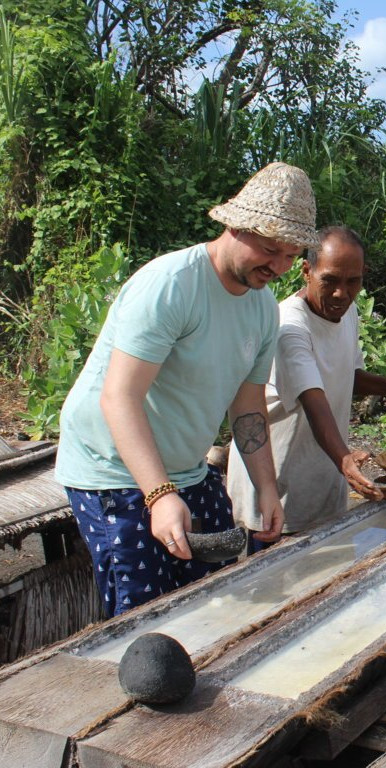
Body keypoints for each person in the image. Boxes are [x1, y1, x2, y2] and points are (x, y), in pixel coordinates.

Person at [54, 162, 318, 616]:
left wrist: (266, 488)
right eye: (270, 249)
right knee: (145, 615)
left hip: (187, 468)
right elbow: (119, 397)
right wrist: (159, 495)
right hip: (113, 469)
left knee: (217, 596)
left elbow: (248, 406)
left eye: (291, 256)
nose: (278, 267)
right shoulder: (172, 286)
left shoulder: (262, 308)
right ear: (236, 227)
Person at [226, 225, 386, 542]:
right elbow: (312, 397)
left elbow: (345, 374)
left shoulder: (348, 312)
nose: (340, 293)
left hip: (323, 482)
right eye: (330, 280)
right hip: (276, 491)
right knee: (280, 573)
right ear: (307, 271)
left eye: (352, 282)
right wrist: (345, 460)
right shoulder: (290, 327)